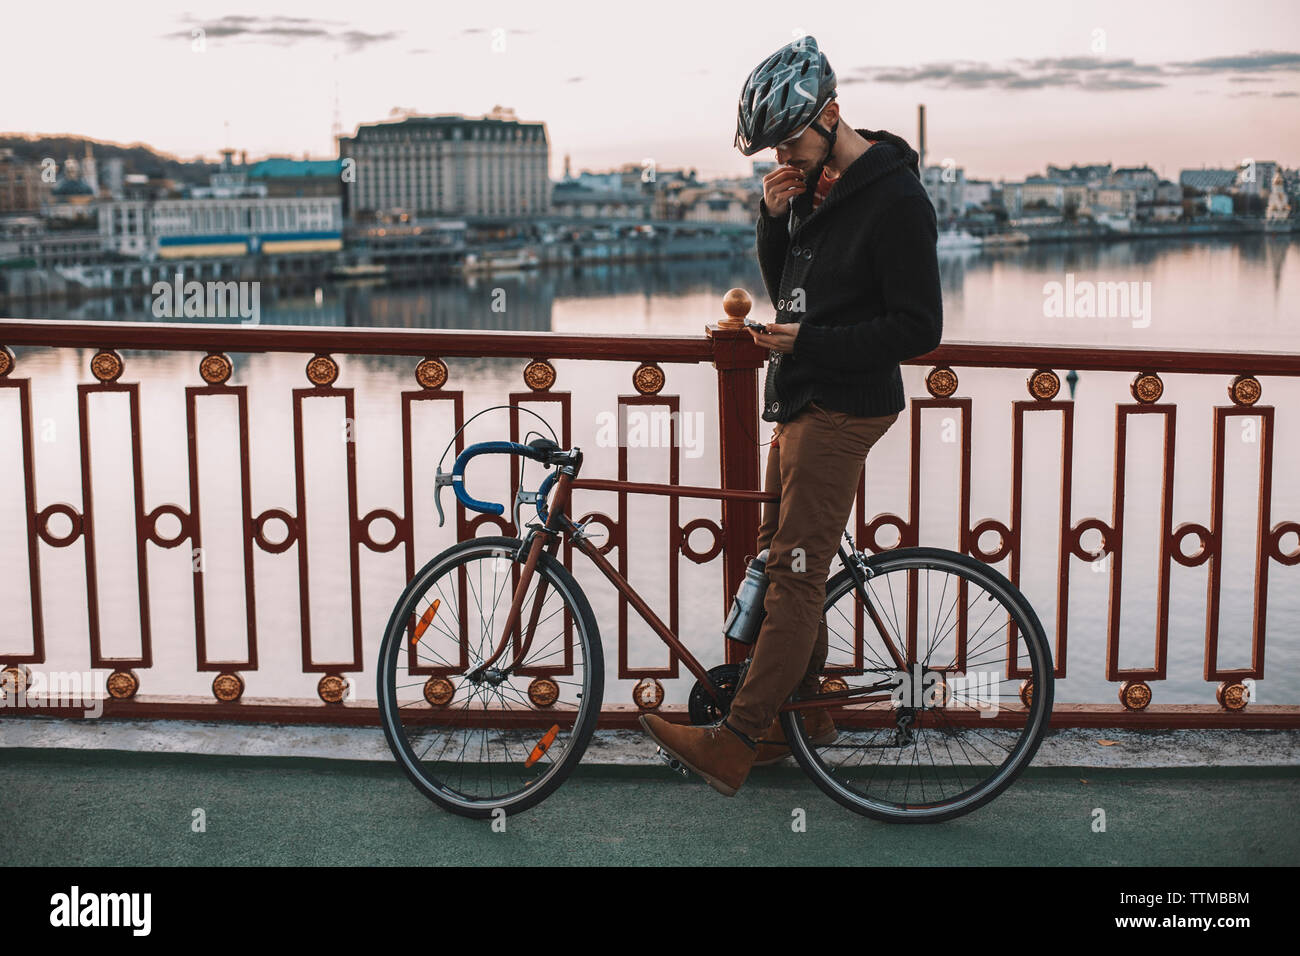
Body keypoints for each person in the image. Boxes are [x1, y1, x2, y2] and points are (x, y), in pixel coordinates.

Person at [639, 35, 944, 796]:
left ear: (833, 114)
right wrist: (774, 221)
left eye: (792, 140)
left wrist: (812, 342)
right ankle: (803, 721)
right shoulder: (813, 187)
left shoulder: (898, 199)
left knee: (797, 576)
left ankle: (737, 741)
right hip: (805, 399)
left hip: (843, 408)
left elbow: (918, 328)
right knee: (781, 566)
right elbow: (791, 293)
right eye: (775, 145)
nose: (785, 155)